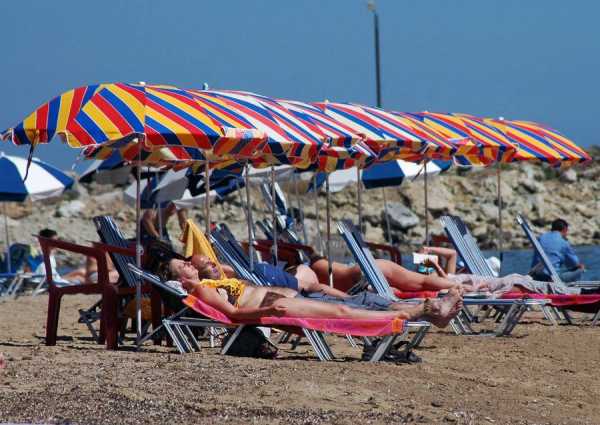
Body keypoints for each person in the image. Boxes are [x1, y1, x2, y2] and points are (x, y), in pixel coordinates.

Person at [159, 257, 463, 328]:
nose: (189, 263)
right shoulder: (200, 289)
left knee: (349, 306)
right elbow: (235, 315)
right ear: (179, 279)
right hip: (273, 307)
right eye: (183, 265)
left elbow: (220, 267)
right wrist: (266, 312)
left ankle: (429, 310)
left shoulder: (211, 279)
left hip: (282, 299)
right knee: (344, 313)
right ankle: (429, 310)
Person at [36, 228, 119, 284]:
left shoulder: (49, 254)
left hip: (52, 278)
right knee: (81, 278)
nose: (57, 242)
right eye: (54, 240)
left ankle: (63, 278)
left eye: (57, 240)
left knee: (81, 272)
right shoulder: (41, 254)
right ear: (46, 241)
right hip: (48, 281)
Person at [530, 218, 585, 284]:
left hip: (536, 275)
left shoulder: (541, 238)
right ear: (565, 229)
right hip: (551, 277)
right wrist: (579, 266)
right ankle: (573, 291)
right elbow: (574, 263)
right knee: (580, 269)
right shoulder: (563, 242)